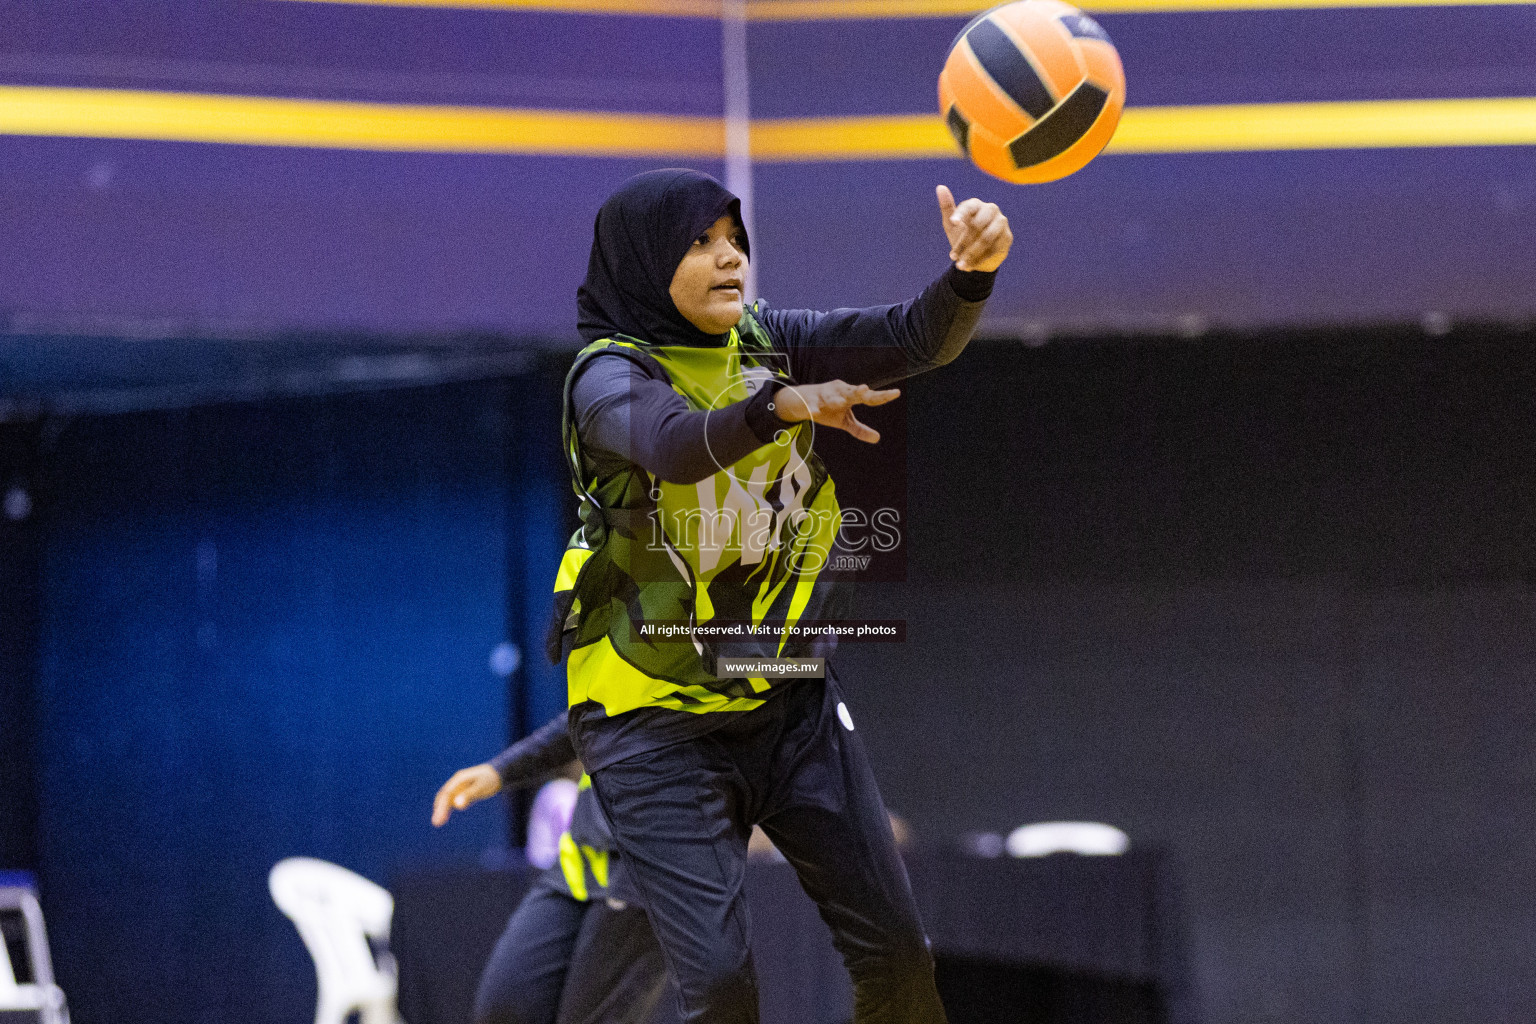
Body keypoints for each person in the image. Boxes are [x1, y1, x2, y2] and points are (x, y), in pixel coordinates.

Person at [550, 168, 1011, 1024]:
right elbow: (677, 445)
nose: (731, 257)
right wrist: (783, 406)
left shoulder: (766, 338)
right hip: (652, 724)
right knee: (723, 986)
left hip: (785, 695)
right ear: (646, 262)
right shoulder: (604, 379)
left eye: (734, 238)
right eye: (700, 241)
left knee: (903, 963)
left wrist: (969, 278)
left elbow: (914, 338)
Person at [433, 715, 673, 1024]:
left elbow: (744, 674)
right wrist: (501, 770)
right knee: (505, 1009)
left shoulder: (731, 667)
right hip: (580, 856)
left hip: (652, 856)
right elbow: (590, 712)